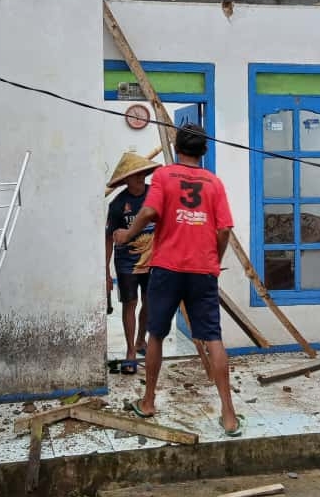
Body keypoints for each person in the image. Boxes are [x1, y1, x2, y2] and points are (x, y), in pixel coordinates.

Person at [112, 123, 243, 437]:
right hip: (202, 271)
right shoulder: (214, 183)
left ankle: (148, 402)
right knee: (213, 338)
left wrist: (126, 235)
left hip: (167, 268)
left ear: (177, 147)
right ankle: (228, 415)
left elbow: (147, 213)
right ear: (204, 150)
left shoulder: (164, 176)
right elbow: (224, 230)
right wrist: (214, 260)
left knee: (155, 334)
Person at [105, 151, 160, 375]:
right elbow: (108, 238)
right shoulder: (118, 205)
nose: (140, 179)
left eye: (142, 174)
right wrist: (106, 273)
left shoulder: (155, 195)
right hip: (126, 262)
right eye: (135, 175)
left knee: (149, 302)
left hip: (152, 259)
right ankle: (130, 351)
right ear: (126, 179)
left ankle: (140, 340)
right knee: (130, 303)